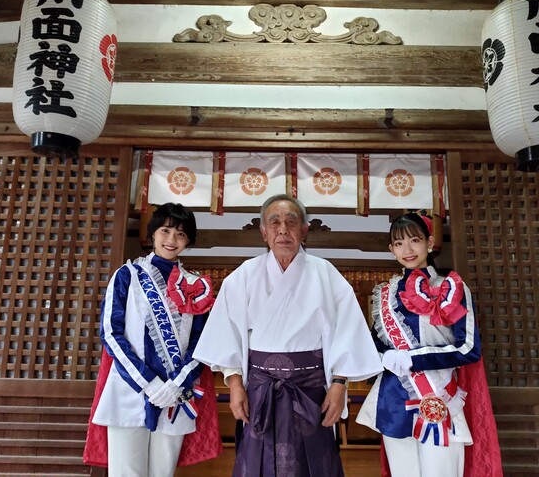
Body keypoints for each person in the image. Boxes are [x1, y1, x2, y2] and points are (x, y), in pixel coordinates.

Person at [193, 194, 382, 476]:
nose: (283, 230)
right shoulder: (244, 276)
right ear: (263, 232)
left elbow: (348, 332)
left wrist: (340, 385)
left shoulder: (326, 274)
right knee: (259, 460)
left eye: (292, 223)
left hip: (312, 390)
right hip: (259, 389)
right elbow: (225, 334)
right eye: (275, 222)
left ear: (304, 230)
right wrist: (234, 385)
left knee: (315, 461)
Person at [356, 212, 502, 477]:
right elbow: (373, 344)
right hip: (393, 399)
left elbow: (469, 348)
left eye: (415, 240)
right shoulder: (384, 293)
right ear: (391, 249)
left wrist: (413, 359)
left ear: (430, 242)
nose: (408, 250)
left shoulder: (450, 287)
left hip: (439, 395)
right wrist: (385, 357)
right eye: (399, 244)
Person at [82, 202, 222, 476]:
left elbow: (202, 343)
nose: (172, 240)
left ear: (188, 240)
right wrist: (149, 383)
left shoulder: (195, 285)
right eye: (165, 230)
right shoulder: (128, 276)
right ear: (153, 234)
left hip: (175, 395)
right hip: (130, 389)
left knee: (162, 472)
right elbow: (111, 333)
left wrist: (177, 384)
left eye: (180, 234)